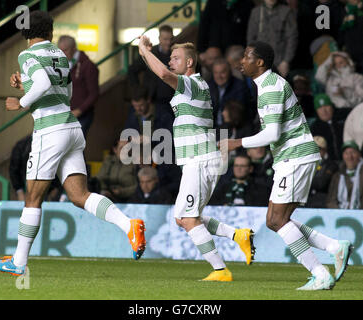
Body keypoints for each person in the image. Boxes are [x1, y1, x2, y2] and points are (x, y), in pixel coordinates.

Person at [0, 11, 146, 277]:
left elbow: (42, 82)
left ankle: (18, 261)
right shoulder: (60, 55)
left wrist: (22, 102)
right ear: (50, 33)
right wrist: (24, 87)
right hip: (72, 128)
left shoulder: (27, 55)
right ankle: (128, 224)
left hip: (50, 132)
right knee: (79, 196)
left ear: (27, 34)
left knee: (32, 198)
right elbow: (64, 91)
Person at [226, 41, 352, 290]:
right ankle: (334, 247)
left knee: (277, 220)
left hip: (295, 156)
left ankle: (321, 273)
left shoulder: (271, 86)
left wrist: (235, 142)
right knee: (275, 220)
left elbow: (272, 133)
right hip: (289, 157)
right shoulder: (267, 84)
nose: (241, 61)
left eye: (246, 57)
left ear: (259, 62)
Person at [138, 36, 255, 281]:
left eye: (175, 57)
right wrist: (146, 54)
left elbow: (161, 73)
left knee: (189, 217)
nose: (170, 61)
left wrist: (144, 50)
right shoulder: (189, 85)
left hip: (201, 160)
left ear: (190, 62)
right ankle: (238, 235)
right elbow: (161, 71)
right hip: (195, 160)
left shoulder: (193, 83)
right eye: (170, 58)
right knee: (183, 217)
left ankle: (220, 270)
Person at [128, 25, 175, 130]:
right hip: (152, 100)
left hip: (172, 101)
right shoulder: (151, 53)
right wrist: (138, 91)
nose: (168, 42)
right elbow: (132, 69)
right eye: (165, 39)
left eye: (171, 39)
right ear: (159, 39)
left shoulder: (176, 54)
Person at [57, 35, 99, 139]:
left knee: (76, 147)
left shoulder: (88, 66)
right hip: (65, 115)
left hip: (82, 115)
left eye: (65, 50)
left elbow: (94, 93)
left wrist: (79, 110)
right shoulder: (61, 65)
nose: (62, 54)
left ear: (74, 48)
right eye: (60, 51)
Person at [247, 0, 298, 78]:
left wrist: (286, 61)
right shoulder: (256, 12)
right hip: (260, 62)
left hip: (280, 62)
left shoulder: (286, 12)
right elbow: (250, 39)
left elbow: (292, 38)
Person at [9, 135, 62, 202]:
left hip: (49, 189)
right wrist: (19, 191)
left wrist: (56, 188)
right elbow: (14, 170)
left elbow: (59, 167)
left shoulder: (55, 144)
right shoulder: (22, 146)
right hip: (29, 188)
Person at [208, 58, 249, 128]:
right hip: (213, 127)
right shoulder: (208, 86)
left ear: (230, 72)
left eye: (222, 72)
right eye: (216, 73)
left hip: (232, 128)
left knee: (222, 137)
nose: (219, 76)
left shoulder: (240, 87)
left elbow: (236, 115)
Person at [96, 139, 138, 203]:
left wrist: (121, 192)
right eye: (121, 148)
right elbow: (100, 178)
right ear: (115, 150)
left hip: (129, 199)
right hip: (108, 197)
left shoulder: (135, 163)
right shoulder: (108, 161)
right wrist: (104, 190)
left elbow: (139, 186)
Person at [326, 140, 363, 209]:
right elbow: (331, 201)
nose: (350, 157)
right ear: (343, 156)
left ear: (359, 155)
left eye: (353, 152)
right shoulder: (337, 176)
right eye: (346, 153)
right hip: (341, 216)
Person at [306, 136, 339, 208]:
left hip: (322, 202)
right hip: (306, 200)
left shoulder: (331, 165)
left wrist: (306, 179)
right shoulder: (306, 163)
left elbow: (321, 184)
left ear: (324, 150)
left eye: (318, 149)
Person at [310, 93, 345, 161]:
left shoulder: (344, 115)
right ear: (316, 111)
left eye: (326, 106)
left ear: (332, 106)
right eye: (320, 108)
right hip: (328, 164)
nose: (324, 111)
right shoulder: (315, 127)